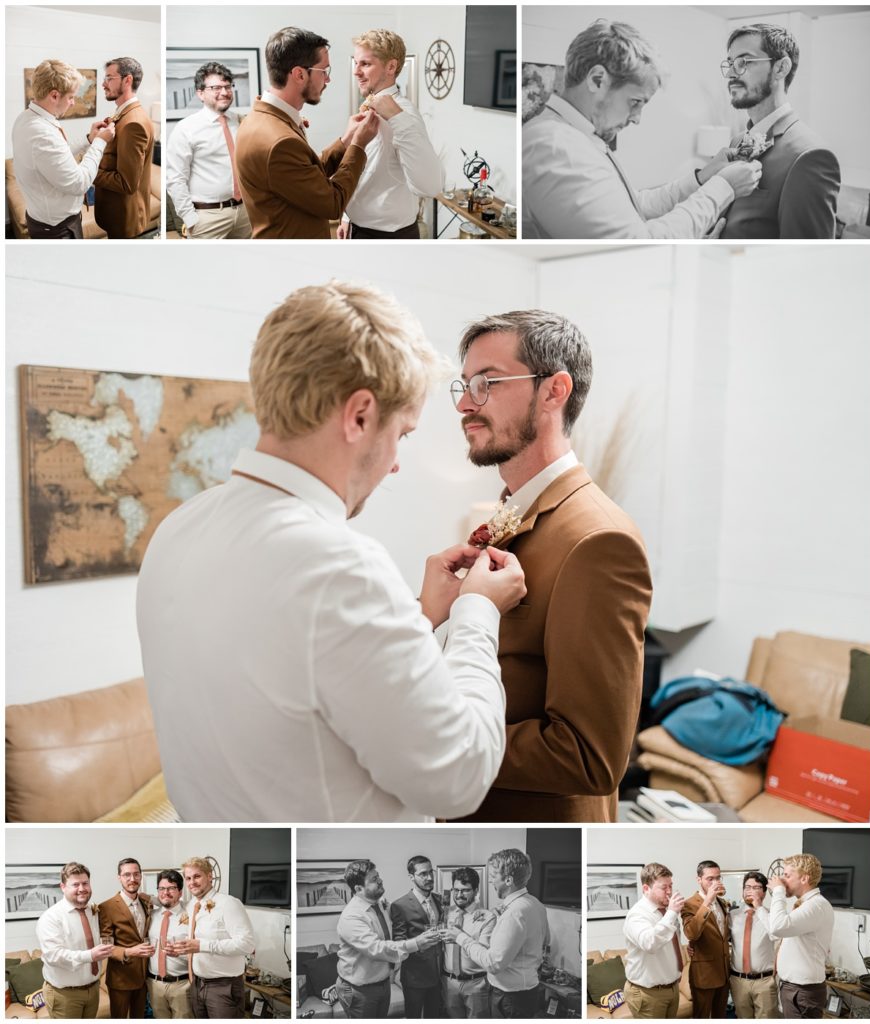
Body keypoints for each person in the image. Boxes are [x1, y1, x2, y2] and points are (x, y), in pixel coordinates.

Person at [137, 281, 525, 823]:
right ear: (360, 415)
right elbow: (458, 778)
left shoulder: (178, 528)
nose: (394, 464)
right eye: (403, 434)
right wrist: (475, 613)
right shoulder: (341, 568)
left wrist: (418, 618)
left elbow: (298, 680)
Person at [450, 310, 652, 822]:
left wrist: (437, 738)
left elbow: (589, 756)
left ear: (554, 390)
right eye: (464, 384)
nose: (464, 404)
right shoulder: (512, 510)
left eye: (485, 383)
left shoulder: (598, 541)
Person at [522, 20, 761, 239]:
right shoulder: (555, 146)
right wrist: (722, 188)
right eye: (635, 102)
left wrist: (704, 177)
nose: (637, 119)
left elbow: (635, 204)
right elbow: (638, 243)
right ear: (597, 80)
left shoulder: (577, 135)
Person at [234, 27, 378, 238]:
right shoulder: (278, 141)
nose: (327, 80)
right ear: (299, 74)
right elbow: (332, 203)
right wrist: (358, 145)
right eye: (324, 71)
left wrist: (346, 141)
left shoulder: (259, 118)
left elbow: (308, 175)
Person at [720, 23, 840, 238]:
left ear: (781, 68)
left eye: (743, 62)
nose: (730, 73)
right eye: (729, 63)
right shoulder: (736, 142)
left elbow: (805, 260)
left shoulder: (810, 156)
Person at [340, 29, 442, 239]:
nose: (356, 71)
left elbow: (431, 186)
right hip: (356, 230)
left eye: (365, 64)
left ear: (391, 67)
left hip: (390, 238)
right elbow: (362, 171)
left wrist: (397, 118)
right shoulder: (365, 109)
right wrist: (347, 217)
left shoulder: (405, 115)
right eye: (356, 63)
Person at [11, 59, 115, 238]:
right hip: (56, 229)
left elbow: (58, 154)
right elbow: (79, 183)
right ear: (54, 95)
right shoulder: (41, 133)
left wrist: (89, 139)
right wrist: (100, 143)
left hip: (45, 219)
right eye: (71, 97)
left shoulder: (26, 118)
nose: (73, 103)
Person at [443, 849, 548, 1019]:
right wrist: (498, 914)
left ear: (508, 880)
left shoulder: (514, 913)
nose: (490, 880)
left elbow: (493, 964)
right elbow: (544, 940)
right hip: (524, 989)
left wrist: (460, 937)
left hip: (511, 996)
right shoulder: (535, 904)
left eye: (493, 876)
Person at [336, 860, 442, 1019]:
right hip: (360, 989)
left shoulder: (379, 904)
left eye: (378, 876)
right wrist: (417, 943)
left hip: (383, 984)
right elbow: (377, 949)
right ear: (358, 889)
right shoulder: (351, 917)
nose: (380, 880)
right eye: (373, 879)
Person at [165, 61, 252, 239]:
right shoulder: (186, 129)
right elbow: (175, 179)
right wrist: (190, 219)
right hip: (208, 218)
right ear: (200, 93)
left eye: (228, 86)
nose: (224, 92)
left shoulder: (242, 122)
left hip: (246, 214)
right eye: (216, 87)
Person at [165, 857, 254, 1019]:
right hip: (197, 984)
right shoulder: (192, 905)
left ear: (209, 876)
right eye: (188, 878)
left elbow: (247, 944)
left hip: (224, 987)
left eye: (197, 876)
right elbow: (197, 946)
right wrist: (180, 951)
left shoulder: (229, 903)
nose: (192, 882)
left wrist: (201, 945)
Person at [35, 862, 114, 1018]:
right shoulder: (50, 918)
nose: (82, 888)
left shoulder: (93, 911)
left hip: (93, 990)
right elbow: (53, 956)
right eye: (75, 884)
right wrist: (90, 955)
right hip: (65, 995)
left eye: (85, 883)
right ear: (63, 887)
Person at [91, 57, 155, 238]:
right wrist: (95, 140)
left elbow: (126, 183)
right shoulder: (122, 114)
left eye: (109, 78)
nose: (103, 84)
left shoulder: (133, 123)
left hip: (124, 218)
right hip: (115, 214)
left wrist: (87, 171)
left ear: (127, 80)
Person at [766, 854, 834, 1019]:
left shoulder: (815, 906)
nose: (782, 880)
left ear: (804, 878)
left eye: (787, 875)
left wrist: (778, 891)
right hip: (795, 988)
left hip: (802, 991)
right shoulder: (807, 904)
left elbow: (778, 927)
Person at [622, 863, 685, 1019]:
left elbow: (671, 943)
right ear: (646, 889)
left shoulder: (666, 911)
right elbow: (650, 943)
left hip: (672, 988)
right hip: (648, 993)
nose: (669, 891)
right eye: (664, 888)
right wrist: (671, 913)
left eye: (671, 885)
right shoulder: (637, 915)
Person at [98, 857, 153, 1018]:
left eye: (136, 874)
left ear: (141, 876)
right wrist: (130, 951)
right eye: (127, 875)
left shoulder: (146, 902)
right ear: (119, 877)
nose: (132, 879)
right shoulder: (106, 907)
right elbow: (106, 947)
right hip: (121, 979)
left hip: (144, 976)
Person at [390, 856, 445, 1018]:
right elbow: (399, 943)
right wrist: (420, 944)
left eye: (430, 872)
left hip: (439, 973)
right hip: (415, 977)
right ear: (411, 877)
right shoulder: (400, 905)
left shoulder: (439, 899)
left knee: (434, 1017)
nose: (429, 878)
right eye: (423, 874)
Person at [442, 867, 496, 1018]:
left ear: (476, 890)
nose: (459, 895)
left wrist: (460, 936)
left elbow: (484, 953)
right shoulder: (445, 914)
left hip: (476, 985)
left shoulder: (487, 917)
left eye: (465, 890)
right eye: (456, 890)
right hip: (449, 982)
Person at [681, 860, 731, 1018]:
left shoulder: (722, 902)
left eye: (718, 878)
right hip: (704, 975)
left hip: (724, 971)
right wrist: (707, 901)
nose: (715, 882)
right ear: (699, 880)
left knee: (720, 1016)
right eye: (710, 879)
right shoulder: (689, 904)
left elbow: (723, 934)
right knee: (701, 1017)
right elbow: (691, 933)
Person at [728, 871, 778, 1019]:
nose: (750, 891)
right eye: (747, 887)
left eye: (756, 887)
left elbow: (775, 934)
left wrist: (758, 906)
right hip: (738, 981)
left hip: (764, 981)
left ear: (764, 892)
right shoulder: (732, 915)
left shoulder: (772, 916)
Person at [146, 869, 193, 1018]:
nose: (166, 892)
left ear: (180, 892)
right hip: (154, 984)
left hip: (182, 985)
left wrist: (182, 953)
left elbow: (198, 950)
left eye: (171, 888)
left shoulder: (191, 916)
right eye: (162, 888)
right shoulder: (151, 916)